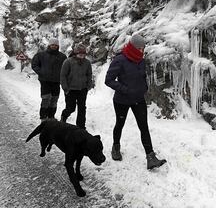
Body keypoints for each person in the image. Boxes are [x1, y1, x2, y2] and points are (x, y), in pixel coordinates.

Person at [105, 33, 166, 170]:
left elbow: (142, 76)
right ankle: (115, 147)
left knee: (143, 127)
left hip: (138, 99)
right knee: (119, 124)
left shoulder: (141, 60)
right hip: (122, 100)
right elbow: (108, 80)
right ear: (132, 47)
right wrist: (125, 89)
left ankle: (151, 157)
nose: (141, 50)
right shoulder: (120, 60)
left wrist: (144, 87)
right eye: (139, 48)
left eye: (143, 48)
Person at [31, 37, 67, 121]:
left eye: (55, 45)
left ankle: (51, 116)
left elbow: (66, 68)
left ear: (58, 46)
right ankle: (43, 117)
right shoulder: (41, 55)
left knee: (54, 99)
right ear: (49, 45)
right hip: (45, 81)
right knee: (46, 99)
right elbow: (34, 65)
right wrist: (41, 72)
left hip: (56, 81)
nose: (54, 46)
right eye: (52, 45)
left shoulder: (62, 57)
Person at [60, 43, 93, 129]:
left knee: (82, 108)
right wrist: (65, 88)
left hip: (82, 89)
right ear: (75, 53)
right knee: (71, 108)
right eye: (79, 53)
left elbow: (89, 74)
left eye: (83, 53)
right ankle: (64, 117)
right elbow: (63, 75)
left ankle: (81, 126)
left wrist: (89, 85)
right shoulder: (68, 62)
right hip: (70, 89)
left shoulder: (87, 63)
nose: (81, 54)